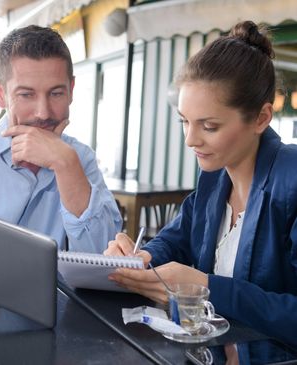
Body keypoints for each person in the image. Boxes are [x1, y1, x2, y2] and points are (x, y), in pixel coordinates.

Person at [104, 21, 297, 362]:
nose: (190, 139)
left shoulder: (291, 180)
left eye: (209, 126)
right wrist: (140, 259)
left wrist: (206, 287)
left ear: (262, 118)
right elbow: (175, 239)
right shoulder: (214, 179)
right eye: (184, 121)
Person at [0, 25, 122, 270]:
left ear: (71, 91)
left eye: (56, 93)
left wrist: (66, 166)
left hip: (48, 308)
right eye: (26, 95)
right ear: (1, 94)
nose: (43, 112)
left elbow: (104, 265)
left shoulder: (80, 159)